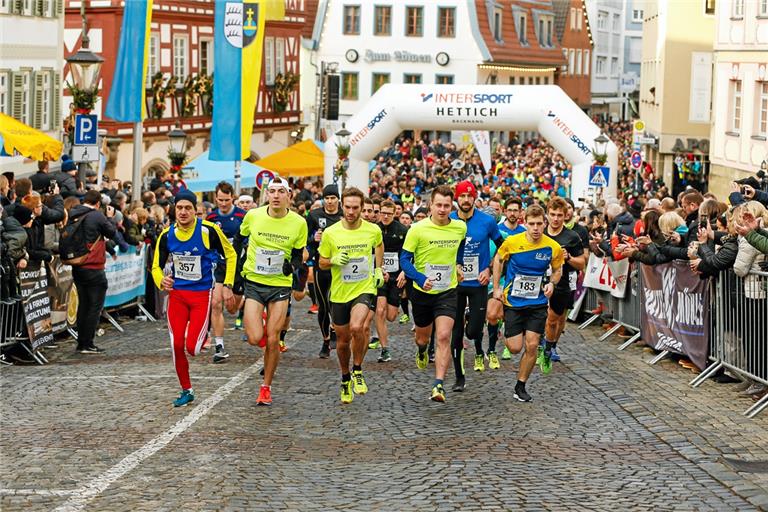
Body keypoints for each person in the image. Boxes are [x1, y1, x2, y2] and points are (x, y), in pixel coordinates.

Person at [152, 190, 237, 407]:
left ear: (195, 210)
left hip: (201, 296)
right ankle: (186, 389)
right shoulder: (167, 235)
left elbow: (231, 254)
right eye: (179, 208)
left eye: (188, 208)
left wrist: (227, 284)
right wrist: (161, 280)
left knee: (193, 349)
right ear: (174, 209)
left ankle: (202, 331)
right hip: (178, 296)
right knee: (176, 345)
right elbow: (155, 266)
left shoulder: (208, 231)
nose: (183, 212)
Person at [238, 178, 307, 406]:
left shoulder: (298, 223)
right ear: (267, 194)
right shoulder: (253, 216)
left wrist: (293, 266)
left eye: (281, 192)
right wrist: (238, 271)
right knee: (254, 337)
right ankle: (262, 327)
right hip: (255, 283)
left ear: (289, 195)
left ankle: (265, 387)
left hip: (279, 285)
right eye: (272, 191)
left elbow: (298, 255)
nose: (276, 195)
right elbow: (240, 239)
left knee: (272, 339)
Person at [318, 187, 384, 404]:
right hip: (339, 293)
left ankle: (357, 369)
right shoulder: (331, 233)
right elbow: (321, 262)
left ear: (362, 208)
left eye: (356, 208)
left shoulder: (372, 230)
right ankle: (345, 377)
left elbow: (379, 245)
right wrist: (334, 259)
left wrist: (378, 268)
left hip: (364, 288)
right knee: (343, 341)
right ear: (341, 206)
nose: (351, 211)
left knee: (358, 327)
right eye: (347, 207)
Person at [401, 185, 466, 402]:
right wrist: (420, 278)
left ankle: (438, 385)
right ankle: (421, 350)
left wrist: (458, 264)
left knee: (444, 335)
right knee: (422, 337)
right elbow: (404, 260)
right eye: (438, 205)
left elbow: (461, 246)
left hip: (447, 291)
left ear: (452, 206)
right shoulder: (417, 229)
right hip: (422, 292)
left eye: (447, 206)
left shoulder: (459, 227)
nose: (442, 209)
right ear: (430, 205)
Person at [493, 204, 563, 402]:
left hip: (537, 302)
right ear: (525, 223)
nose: (535, 228)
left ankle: (521, 385)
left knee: (532, 346)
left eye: (539, 224)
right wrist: (497, 286)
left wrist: (552, 283)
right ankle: (504, 326)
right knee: (515, 348)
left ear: (544, 223)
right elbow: (498, 259)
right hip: (514, 302)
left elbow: (558, 270)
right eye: (531, 224)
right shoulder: (512, 242)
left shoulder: (552, 247)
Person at [449, 180, 502, 391]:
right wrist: (453, 265)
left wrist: (489, 267)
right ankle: (459, 378)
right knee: (456, 331)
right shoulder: (448, 220)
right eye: (462, 196)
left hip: (478, 283)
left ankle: (474, 331)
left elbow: (502, 247)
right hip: (455, 283)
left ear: (474, 198)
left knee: (472, 331)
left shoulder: (487, 221)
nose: (465, 200)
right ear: (457, 198)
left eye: (469, 196)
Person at [67, 190, 117, 354]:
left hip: (77, 264)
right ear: (97, 203)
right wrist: (109, 217)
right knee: (94, 306)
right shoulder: (96, 215)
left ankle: (82, 343)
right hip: (93, 266)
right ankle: (87, 343)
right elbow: (112, 232)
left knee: (83, 305)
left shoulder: (73, 213)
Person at [541, 197, 586, 369]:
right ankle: (543, 345)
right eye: (552, 214)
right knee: (545, 317)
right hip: (540, 281)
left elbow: (582, 263)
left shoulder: (572, 237)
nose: (556, 219)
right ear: (547, 214)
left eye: (559, 215)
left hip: (563, 282)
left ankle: (549, 345)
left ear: (565, 215)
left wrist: (569, 258)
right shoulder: (540, 232)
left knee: (555, 319)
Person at [206, 181, 246, 363]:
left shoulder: (242, 216)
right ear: (216, 198)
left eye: (227, 200)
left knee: (232, 307)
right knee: (215, 303)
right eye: (220, 200)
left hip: (238, 266)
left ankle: (243, 304)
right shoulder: (211, 218)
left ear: (233, 198)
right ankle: (219, 346)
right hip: (220, 266)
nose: (223, 203)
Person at [307, 184, 342, 358]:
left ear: (338, 199)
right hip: (321, 265)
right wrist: (313, 238)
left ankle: (335, 329)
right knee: (323, 305)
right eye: (327, 198)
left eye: (333, 198)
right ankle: (326, 340)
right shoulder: (314, 215)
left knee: (336, 302)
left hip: (340, 266)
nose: (330, 201)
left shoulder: (344, 215)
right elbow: (305, 239)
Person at [371, 199, 408, 362]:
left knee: (391, 316)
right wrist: (378, 269)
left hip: (395, 277)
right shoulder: (374, 229)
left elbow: (408, 254)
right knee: (379, 311)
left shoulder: (402, 230)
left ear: (395, 214)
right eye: (382, 213)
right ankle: (385, 349)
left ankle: (393, 310)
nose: (385, 216)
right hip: (379, 275)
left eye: (389, 214)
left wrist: (404, 273)